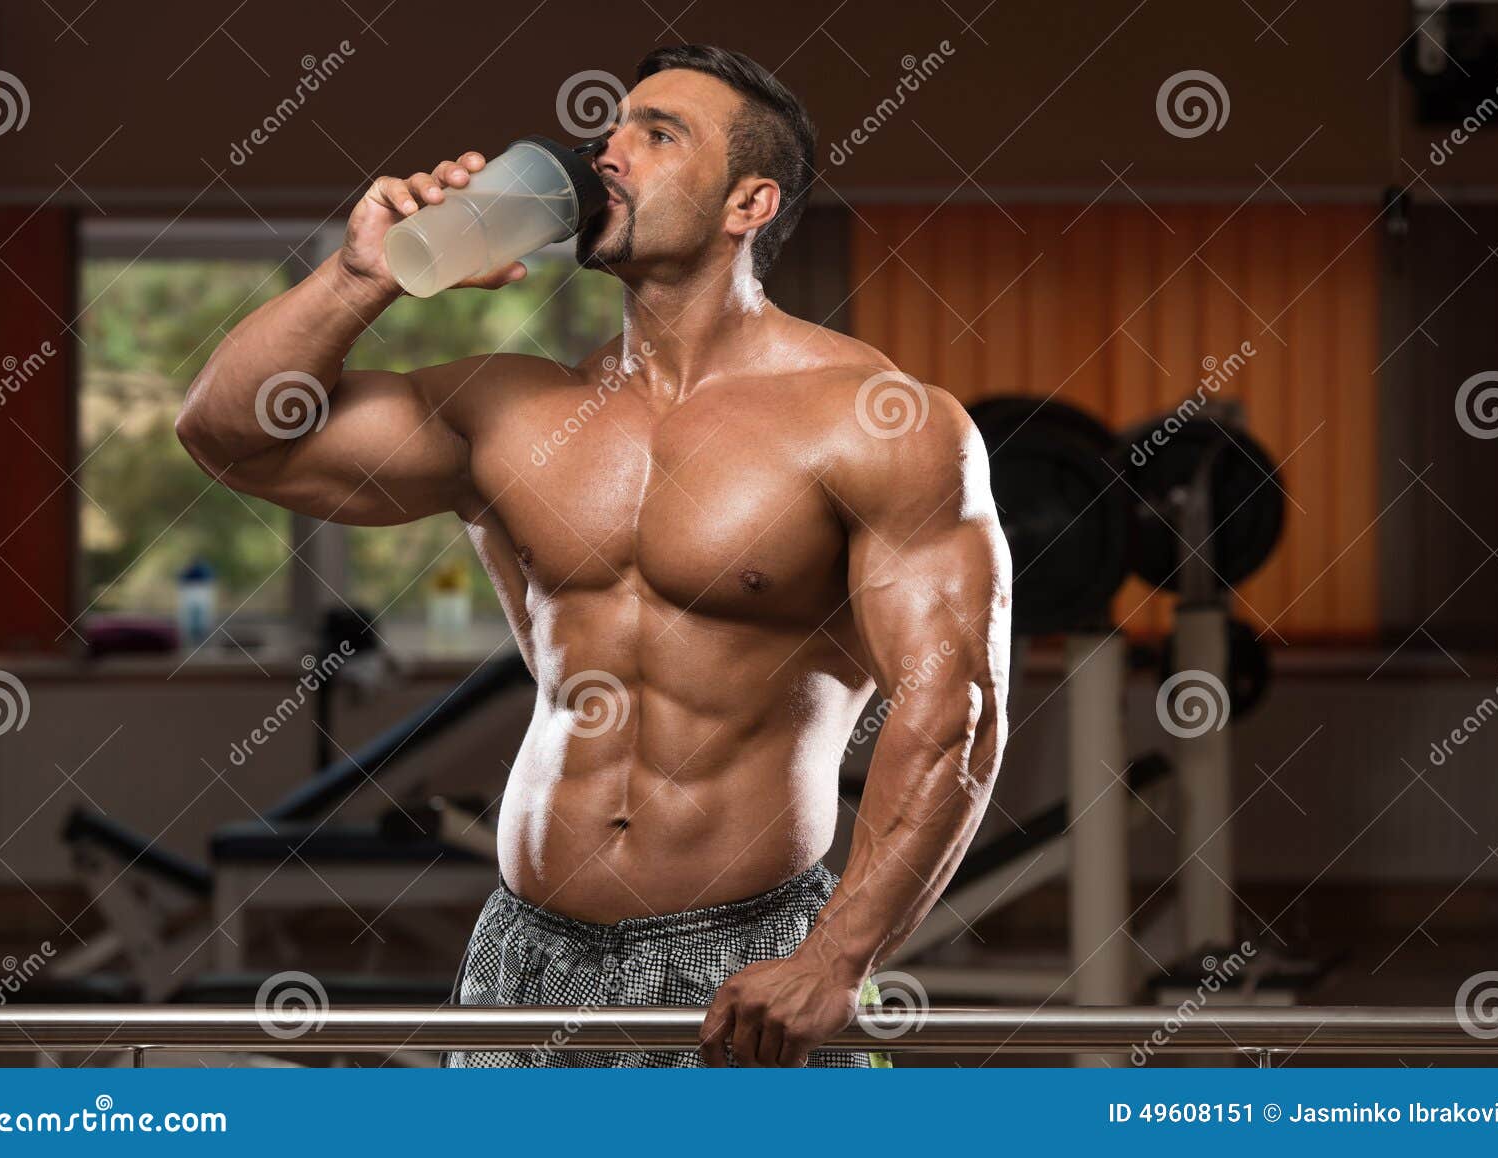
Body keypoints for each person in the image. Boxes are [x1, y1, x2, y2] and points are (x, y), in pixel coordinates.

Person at [176, 43, 1012, 1067]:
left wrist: (837, 959)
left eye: (658, 135)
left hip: (745, 961)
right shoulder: (512, 410)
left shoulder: (875, 422)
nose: (607, 153)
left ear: (748, 204)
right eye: (609, 129)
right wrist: (360, 278)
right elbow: (232, 437)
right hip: (524, 955)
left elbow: (955, 710)